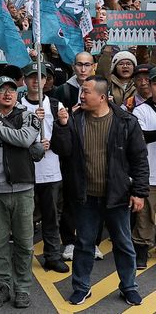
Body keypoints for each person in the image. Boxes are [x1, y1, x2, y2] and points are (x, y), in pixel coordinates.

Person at [52, 76, 149, 307]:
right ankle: (82, 288)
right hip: (85, 196)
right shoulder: (75, 120)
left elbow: (139, 159)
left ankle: (129, 287)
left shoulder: (126, 121)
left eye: (86, 92)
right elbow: (62, 150)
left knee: (123, 243)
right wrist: (62, 126)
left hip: (117, 195)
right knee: (84, 244)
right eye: (81, 91)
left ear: (102, 97)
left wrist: (139, 192)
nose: (81, 96)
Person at [0, 76, 43, 309]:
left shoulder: (27, 116)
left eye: (12, 90)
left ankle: (23, 288)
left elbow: (26, 139)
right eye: (2, 90)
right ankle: (2, 286)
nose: (7, 94)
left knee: (24, 244)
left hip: (23, 190)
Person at [18, 65, 69, 274]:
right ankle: (23, 258)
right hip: (25, 170)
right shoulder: (18, 106)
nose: (36, 82)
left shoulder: (56, 105)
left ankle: (52, 256)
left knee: (50, 217)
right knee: (24, 219)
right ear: (25, 80)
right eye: (31, 77)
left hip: (50, 171)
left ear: (47, 80)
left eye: (40, 77)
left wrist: (57, 134)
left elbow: (66, 144)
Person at [132, 67, 156, 269]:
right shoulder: (141, 110)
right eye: (155, 83)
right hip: (150, 174)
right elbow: (142, 137)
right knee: (145, 217)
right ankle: (141, 250)